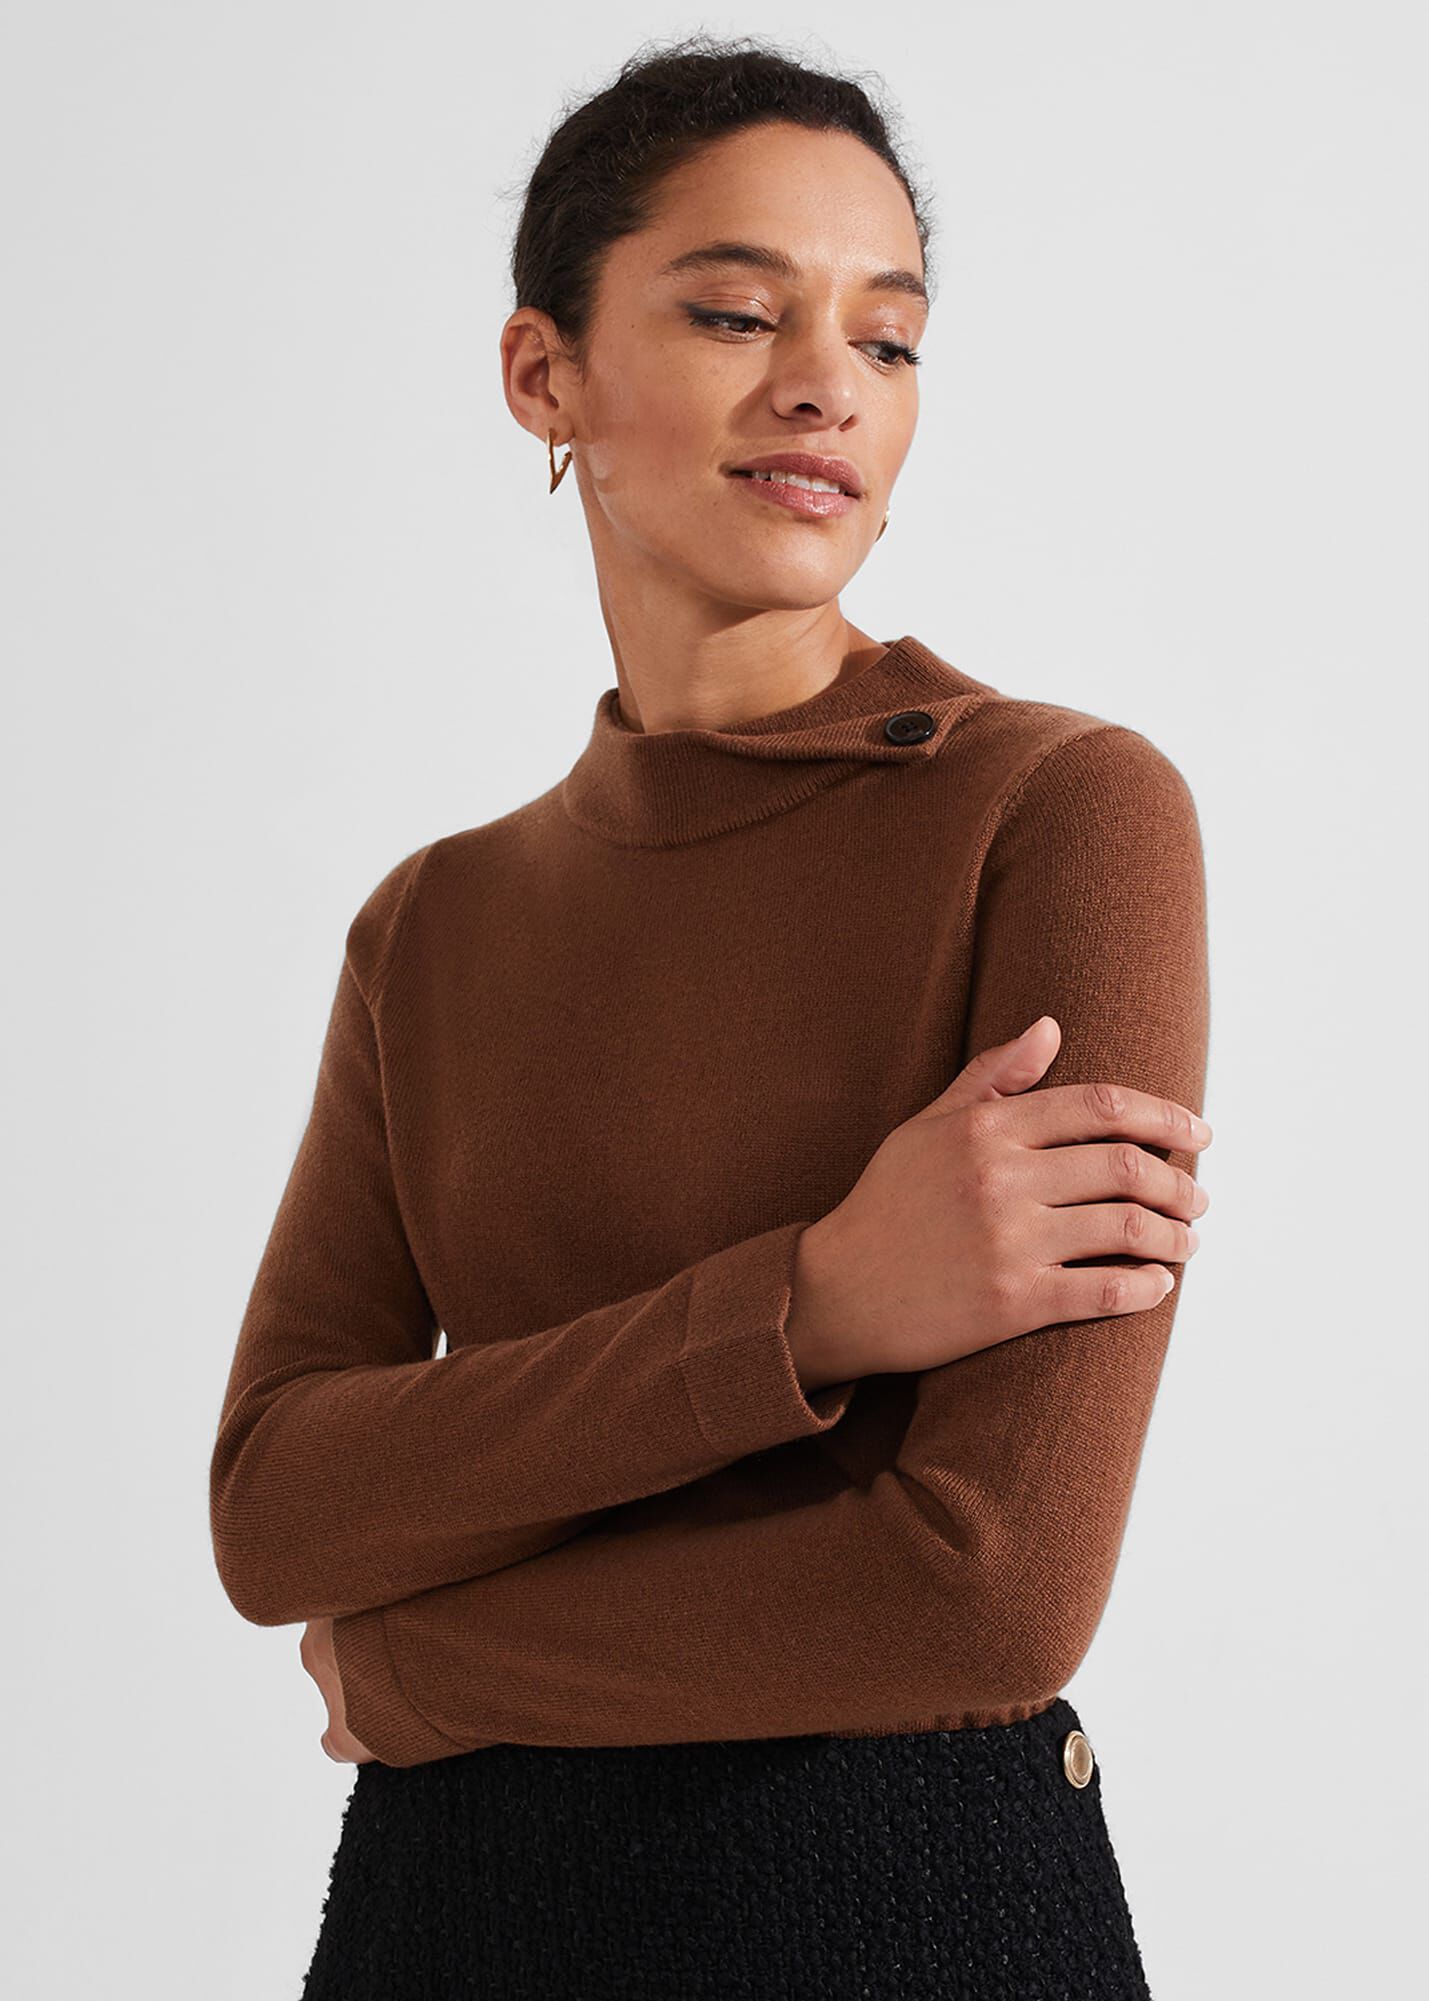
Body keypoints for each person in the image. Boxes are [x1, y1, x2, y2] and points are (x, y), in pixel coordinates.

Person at [210, 34, 1212, 2000]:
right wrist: (810, 1306)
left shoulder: (1057, 813)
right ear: (543, 375)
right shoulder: (432, 924)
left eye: (887, 339)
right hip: (448, 1925)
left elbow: (983, 1597)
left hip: (906, 1919)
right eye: (740, 311)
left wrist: (413, 1666)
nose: (827, 383)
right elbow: (277, 1506)